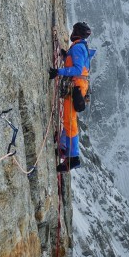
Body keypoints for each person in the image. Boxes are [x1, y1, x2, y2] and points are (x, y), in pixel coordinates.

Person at [49, 21, 95, 172]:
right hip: (78, 86)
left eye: (74, 30)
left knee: (70, 120)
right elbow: (79, 67)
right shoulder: (80, 47)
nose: (71, 33)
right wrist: (65, 57)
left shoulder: (77, 48)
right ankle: (64, 147)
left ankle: (73, 157)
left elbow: (76, 69)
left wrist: (58, 72)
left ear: (77, 33)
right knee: (69, 118)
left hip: (75, 86)